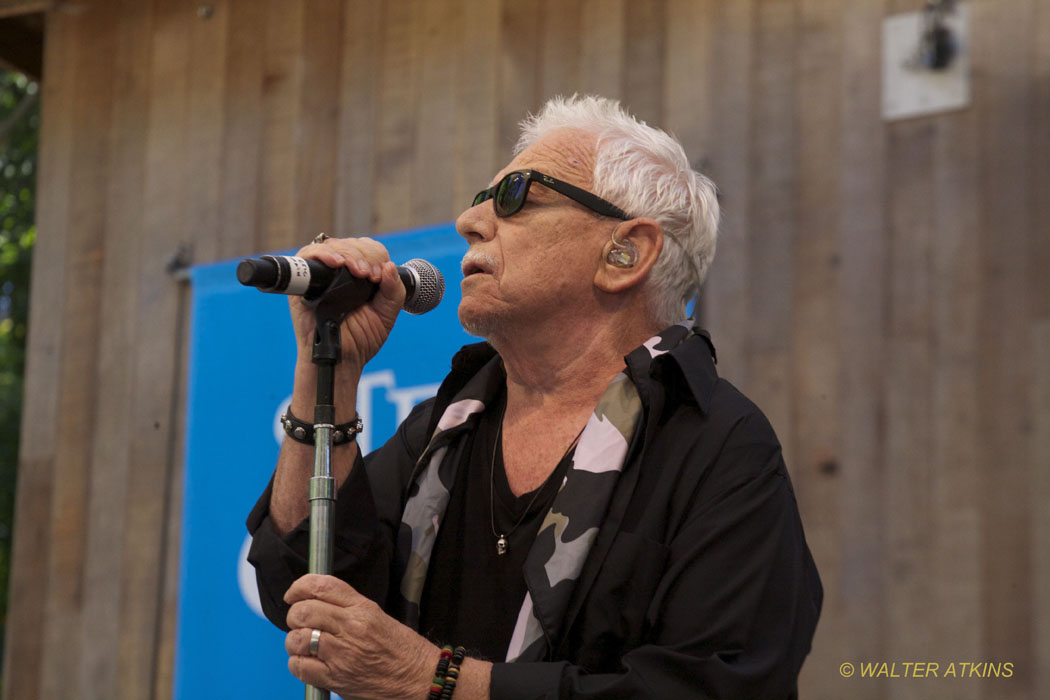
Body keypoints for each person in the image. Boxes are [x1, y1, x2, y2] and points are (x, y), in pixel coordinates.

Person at [247, 95, 822, 699]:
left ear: (626, 253)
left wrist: (437, 682)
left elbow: (712, 690)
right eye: (480, 200)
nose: (470, 222)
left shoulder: (719, 446)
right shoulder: (449, 424)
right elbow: (306, 589)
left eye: (517, 195)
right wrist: (328, 369)